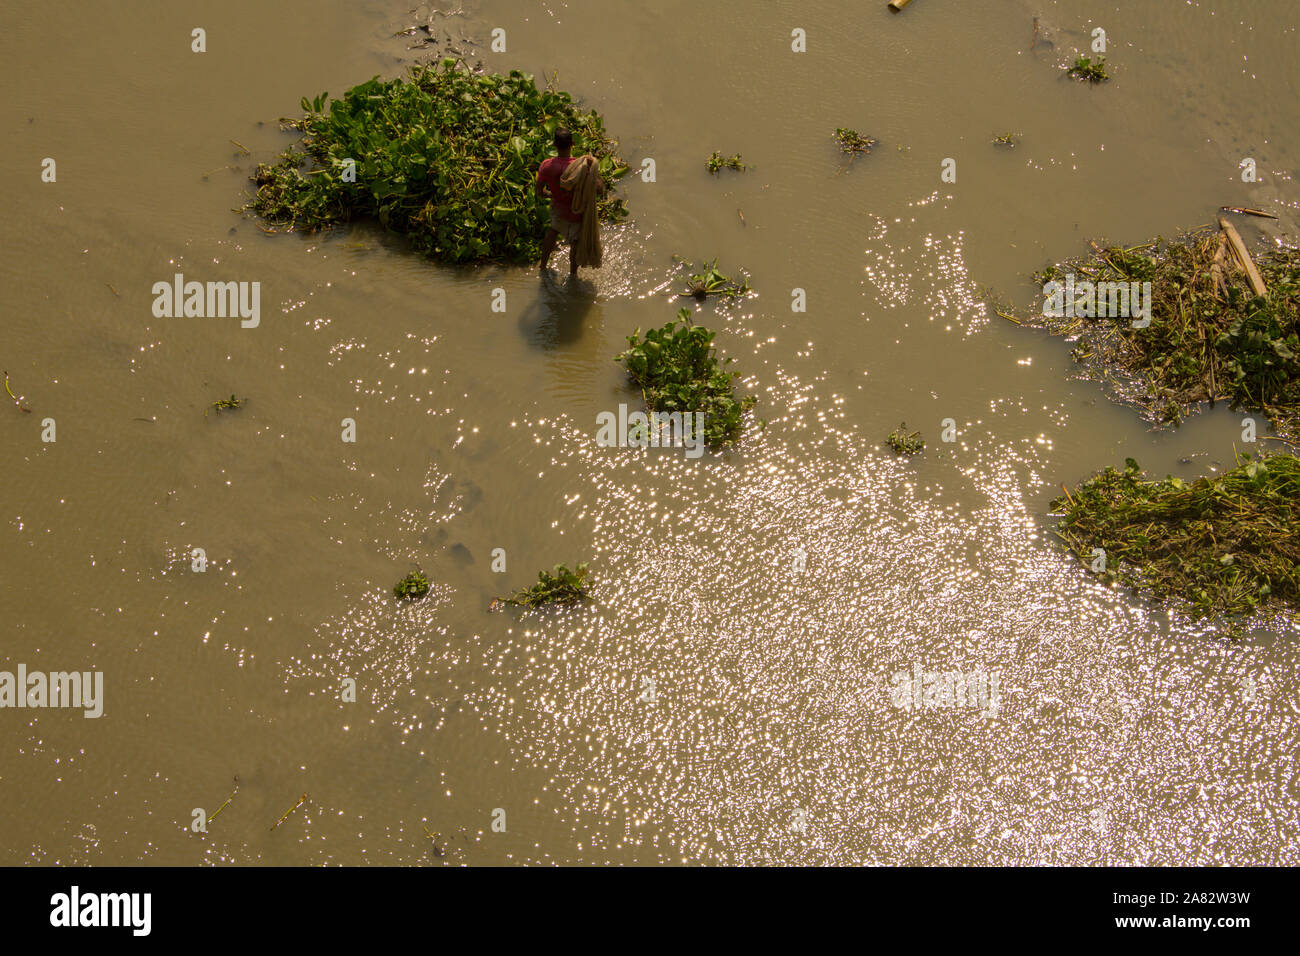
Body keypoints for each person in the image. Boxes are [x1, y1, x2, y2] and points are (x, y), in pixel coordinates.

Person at [535, 128, 602, 276]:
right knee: (575, 243)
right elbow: (599, 189)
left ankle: (543, 266)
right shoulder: (581, 167)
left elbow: (539, 191)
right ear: (572, 143)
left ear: (554, 144)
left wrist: (550, 195)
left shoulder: (546, 165)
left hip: (559, 209)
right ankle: (573, 275)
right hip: (576, 213)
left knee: (552, 233)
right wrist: (594, 171)